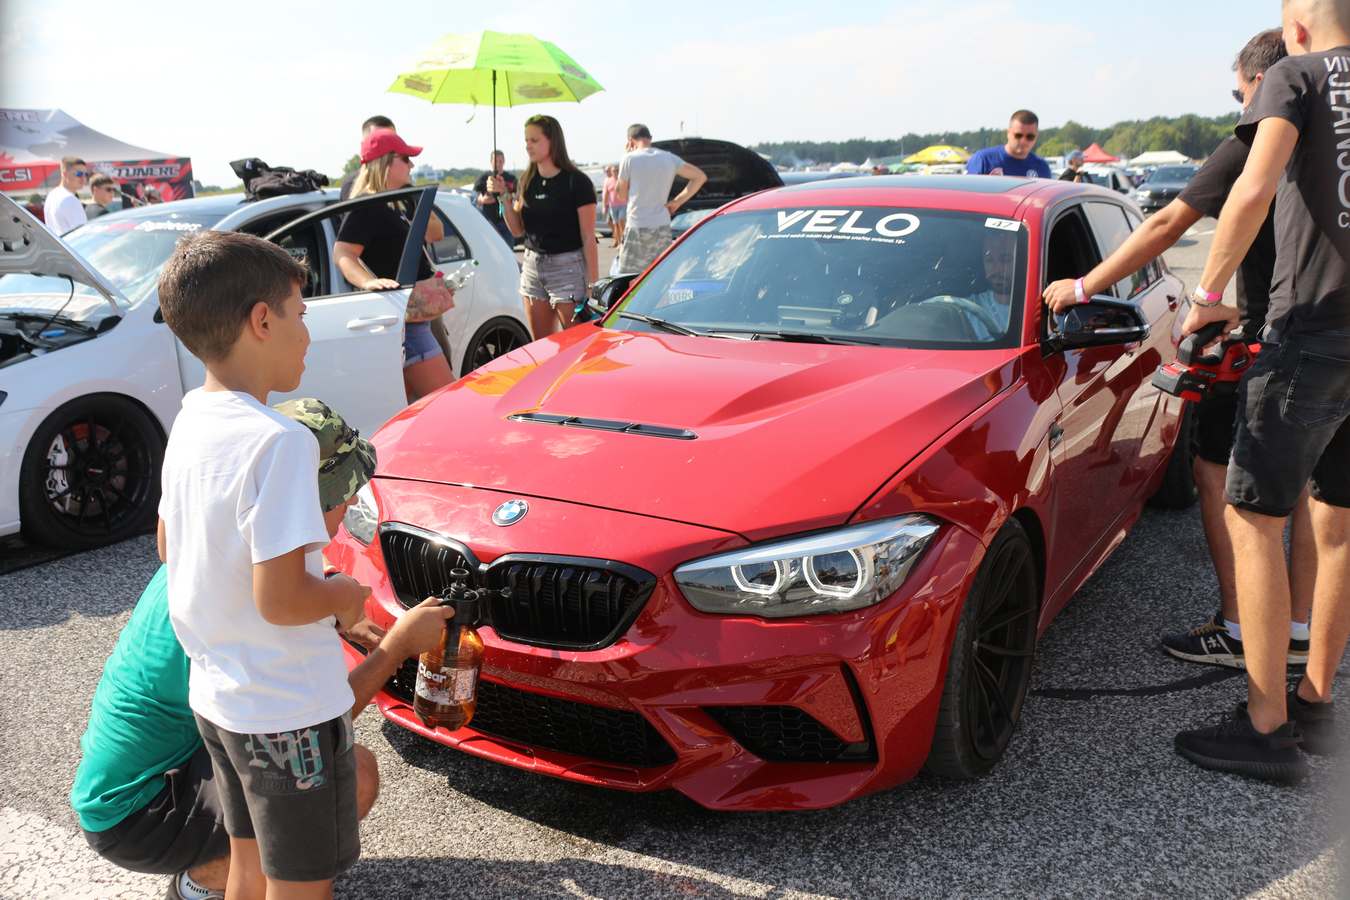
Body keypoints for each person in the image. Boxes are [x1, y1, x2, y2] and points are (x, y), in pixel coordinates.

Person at [71, 397, 452, 900]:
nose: (346, 510)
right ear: (306, 504)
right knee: (349, 776)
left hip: (133, 786)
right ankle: (202, 884)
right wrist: (398, 647)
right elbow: (310, 726)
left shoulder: (215, 556)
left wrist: (332, 607)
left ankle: (235, 873)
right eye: (343, 497)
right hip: (139, 812)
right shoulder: (271, 610)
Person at [1043, 29, 1313, 672]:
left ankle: (1240, 629)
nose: (1240, 104)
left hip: (1268, 348)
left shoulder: (1254, 139)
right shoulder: (1333, 143)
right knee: (1311, 495)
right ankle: (1301, 633)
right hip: (1326, 334)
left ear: (1258, 83)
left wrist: (1082, 285)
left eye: (1238, 91)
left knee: (1223, 480)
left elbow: (1166, 223)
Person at [154, 229, 387, 897]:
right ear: (262, 320)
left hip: (220, 699)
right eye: (301, 314)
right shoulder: (280, 441)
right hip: (286, 712)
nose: (307, 335)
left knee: (249, 870)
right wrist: (343, 595)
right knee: (299, 885)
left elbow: (170, 546)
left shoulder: (192, 417)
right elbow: (282, 600)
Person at [1174, 0, 1350, 782]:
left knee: (1253, 518)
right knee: (1338, 526)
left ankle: (1265, 726)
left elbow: (1253, 187)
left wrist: (1207, 291)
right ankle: (1316, 709)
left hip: (1311, 336)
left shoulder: (1296, 76)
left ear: (1298, 26)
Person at [335, 128, 455, 403]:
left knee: (410, 409)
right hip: (404, 323)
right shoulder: (367, 206)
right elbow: (342, 252)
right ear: (386, 163)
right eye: (405, 158)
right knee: (447, 402)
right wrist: (366, 282)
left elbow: (435, 233)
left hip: (408, 320)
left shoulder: (394, 202)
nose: (411, 164)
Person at [491, 115, 598, 340]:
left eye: (534, 140)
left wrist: (593, 287)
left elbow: (589, 237)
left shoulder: (577, 182)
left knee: (577, 345)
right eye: (526, 140)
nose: (528, 145)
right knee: (542, 347)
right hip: (532, 267)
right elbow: (518, 230)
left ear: (552, 141)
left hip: (568, 268)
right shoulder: (527, 181)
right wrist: (503, 197)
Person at [614, 124, 707, 273]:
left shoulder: (629, 158)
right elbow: (700, 177)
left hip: (637, 225)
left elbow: (621, 194)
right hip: (662, 226)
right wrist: (677, 202)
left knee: (631, 279)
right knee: (660, 277)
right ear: (650, 138)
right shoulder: (669, 158)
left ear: (630, 141)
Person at [965, 111, 1053, 178]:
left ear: (1036, 136)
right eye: (1018, 135)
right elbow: (968, 195)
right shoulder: (984, 160)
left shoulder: (1042, 167)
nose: (1023, 141)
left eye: (1029, 137)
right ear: (1008, 133)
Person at [340, 115, 395, 201]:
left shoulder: (402, 182)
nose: (387, 147)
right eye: (378, 141)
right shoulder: (352, 186)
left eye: (392, 140)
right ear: (364, 145)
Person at [473, 150, 517, 246]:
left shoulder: (511, 178)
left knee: (508, 251)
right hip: (489, 223)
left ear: (504, 161)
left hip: (507, 224)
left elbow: (517, 196)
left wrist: (507, 196)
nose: (498, 164)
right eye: (496, 161)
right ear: (491, 162)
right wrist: (481, 199)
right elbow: (474, 196)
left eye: (501, 161)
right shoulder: (484, 178)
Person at [43, 156, 91, 234]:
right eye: (79, 174)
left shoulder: (52, 195)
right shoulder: (69, 199)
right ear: (65, 174)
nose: (83, 178)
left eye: (85, 174)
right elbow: (83, 234)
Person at [602, 164, 625, 248]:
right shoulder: (608, 181)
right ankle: (619, 242)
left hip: (623, 204)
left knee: (621, 221)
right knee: (615, 224)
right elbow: (605, 194)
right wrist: (604, 206)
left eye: (617, 170)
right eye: (614, 171)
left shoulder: (622, 179)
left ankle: (623, 241)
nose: (615, 172)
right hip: (613, 206)